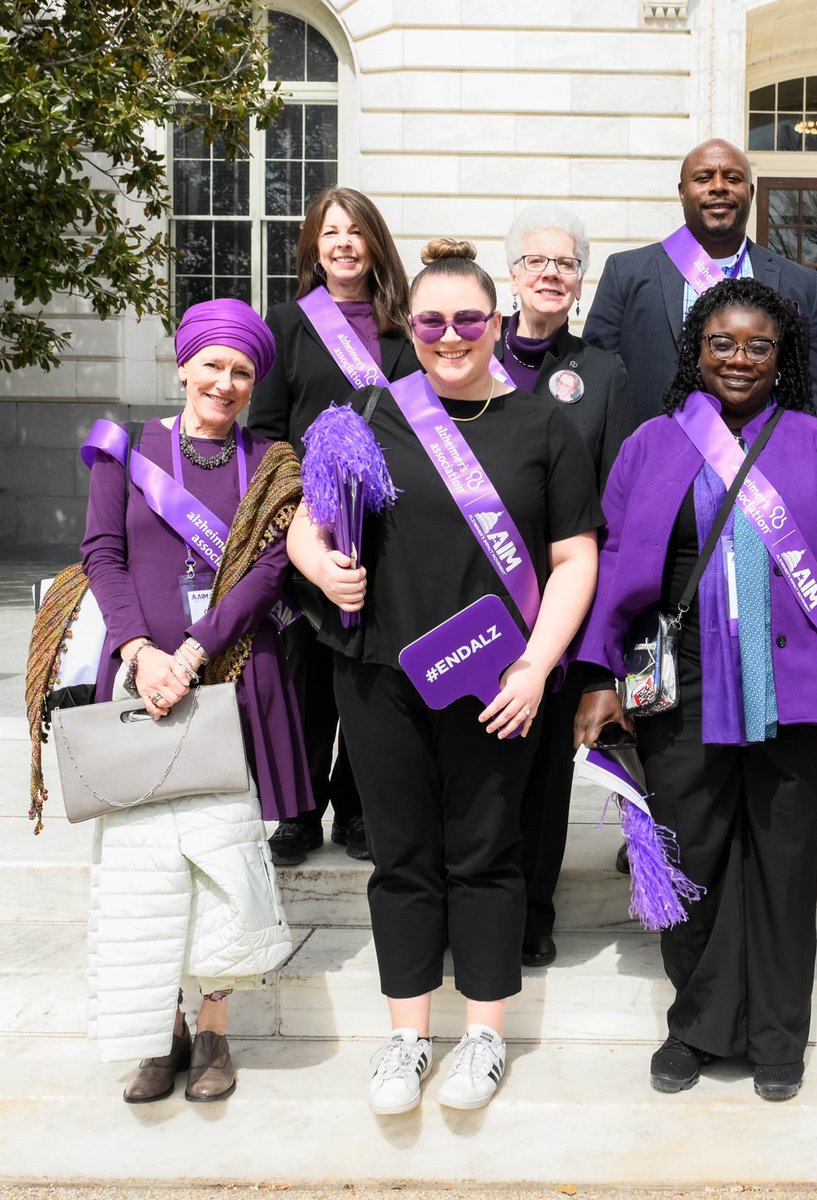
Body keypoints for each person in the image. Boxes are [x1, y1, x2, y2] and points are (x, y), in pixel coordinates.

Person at [287, 239, 603, 1114]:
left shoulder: (546, 427)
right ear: (411, 327)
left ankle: (485, 1036)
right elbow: (303, 527)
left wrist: (540, 665)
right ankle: (406, 1036)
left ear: (495, 324)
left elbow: (576, 558)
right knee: (401, 858)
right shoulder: (367, 412)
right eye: (432, 320)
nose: (450, 335)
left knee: (486, 856)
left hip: (496, 685)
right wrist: (320, 569)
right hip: (380, 674)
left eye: (468, 319)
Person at [574, 278, 817, 1102]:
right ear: (696, 351)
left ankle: (779, 1035)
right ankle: (700, 1024)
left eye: (758, 345)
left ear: (782, 357)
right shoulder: (651, 442)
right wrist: (602, 672)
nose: (740, 359)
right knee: (694, 854)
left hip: (792, 686)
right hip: (677, 686)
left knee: (784, 864)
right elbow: (610, 565)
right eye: (722, 343)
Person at [76, 299, 313, 1102]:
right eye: (212, 364)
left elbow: (272, 571)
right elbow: (101, 558)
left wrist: (191, 652)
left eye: (242, 370)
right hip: (143, 682)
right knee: (146, 868)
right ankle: (164, 1029)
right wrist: (140, 651)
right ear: (182, 366)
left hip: (234, 679)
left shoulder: (276, 460)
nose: (226, 381)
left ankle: (213, 1029)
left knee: (226, 865)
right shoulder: (127, 450)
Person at [250, 186, 420, 866]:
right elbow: (266, 433)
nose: (344, 242)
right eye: (331, 232)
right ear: (314, 249)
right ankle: (297, 810)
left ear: (375, 243)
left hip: (388, 525)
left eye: (356, 231)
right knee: (307, 670)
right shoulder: (286, 325)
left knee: (370, 670)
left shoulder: (405, 329)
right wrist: (297, 516)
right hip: (309, 527)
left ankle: (355, 806)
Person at [495, 203, 636, 968]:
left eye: (567, 264)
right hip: (475, 605)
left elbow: (616, 506)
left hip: (559, 604)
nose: (551, 274)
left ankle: (532, 912)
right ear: (512, 273)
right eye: (537, 262)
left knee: (545, 776)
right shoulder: (465, 356)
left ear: (581, 282)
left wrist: (602, 650)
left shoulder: (604, 372)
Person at [584, 138, 817, 424]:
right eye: (704, 178)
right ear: (682, 192)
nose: (719, 186)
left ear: (751, 192)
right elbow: (597, 378)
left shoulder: (801, 283)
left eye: (733, 178)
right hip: (654, 456)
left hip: (763, 462)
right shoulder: (626, 273)